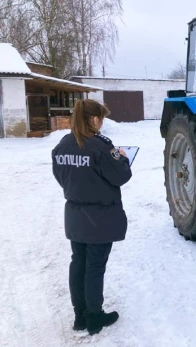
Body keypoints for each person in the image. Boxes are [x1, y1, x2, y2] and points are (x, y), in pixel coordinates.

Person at [52, 99, 132, 335]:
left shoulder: (62, 146)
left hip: (75, 215)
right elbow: (121, 176)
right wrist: (123, 158)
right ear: (95, 119)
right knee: (95, 267)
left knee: (78, 264)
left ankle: (80, 316)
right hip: (100, 217)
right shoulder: (101, 147)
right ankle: (95, 317)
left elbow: (61, 178)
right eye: (101, 118)